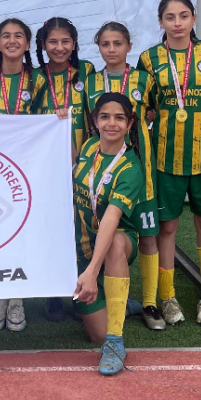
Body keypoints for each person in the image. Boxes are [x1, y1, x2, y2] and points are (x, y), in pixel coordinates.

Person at [137, 0, 201, 327]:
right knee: (167, 227)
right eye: (170, 17)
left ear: (194, 18)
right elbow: (147, 107)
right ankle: (168, 297)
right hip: (165, 158)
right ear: (161, 21)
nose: (177, 23)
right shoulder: (149, 59)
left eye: (184, 15)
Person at [85, 22, 163, 331]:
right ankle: (107, 297)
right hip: (103, 174)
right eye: (105, 44)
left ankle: (150, 303)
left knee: (148, 236)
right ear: (99, 47)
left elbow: (153, 112)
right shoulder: (90, 82)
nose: (112, 49)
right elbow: (87, 122)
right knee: (105, 233)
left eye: (118, 43)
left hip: (140, 171)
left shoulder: (145, 79)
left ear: (129, 46)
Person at [0, 18, 40, 331]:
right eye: (6, 36)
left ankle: (16, 299)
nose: (12, 41)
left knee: (21, 232)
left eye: (19, 36)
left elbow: (46, 122)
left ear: (27, 44)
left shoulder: (39, 80)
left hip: (25, 169)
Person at [73, 93, 143, 375]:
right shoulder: (90, 146)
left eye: (119, 118)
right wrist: (58, 121)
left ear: (129, 123)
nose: (111, 123)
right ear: (95, 121)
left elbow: (112, 219)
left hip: (118, 241)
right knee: (95, 334)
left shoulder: (130, 168)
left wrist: (91, 271)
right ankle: (119, 302)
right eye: (105, 117)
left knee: (113, 243)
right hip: (82, 245)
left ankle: (115, 342)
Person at [33, 16, 96, 322]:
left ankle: (85, 288)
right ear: (43, 45)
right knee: (52, 227)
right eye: (53, 42)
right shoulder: (34, 77)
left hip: (84, 164)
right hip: (46, 167)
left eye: (65, 41)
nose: (59, 48)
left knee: (82, 226)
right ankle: (53, 293)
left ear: (74, 44)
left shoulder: (87, 71)